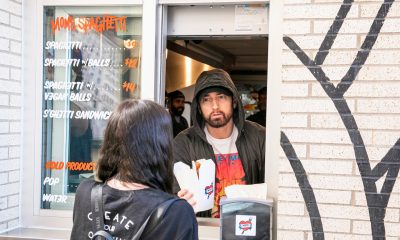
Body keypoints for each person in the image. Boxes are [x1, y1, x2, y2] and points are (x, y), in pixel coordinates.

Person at [71, 99, 198, 240]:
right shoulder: (178, 213)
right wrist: (176, 210)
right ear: (160, 146)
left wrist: (172, 205)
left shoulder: (85, 192)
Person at [173, 69, 266, 218]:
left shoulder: (259, 137)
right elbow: (170, 195)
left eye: (221, 97)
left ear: (234, 101)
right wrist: (178, 201)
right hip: (203, 231)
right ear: (199, 107)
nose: (215, 106)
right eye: (206, 99)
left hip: (247, 229)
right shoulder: (184, 143)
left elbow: (274, 188)